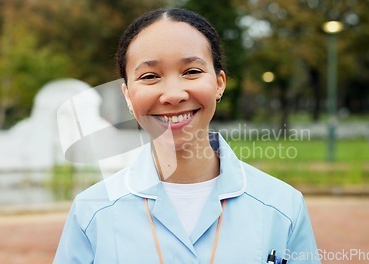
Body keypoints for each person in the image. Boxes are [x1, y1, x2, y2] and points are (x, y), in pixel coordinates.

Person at [54, 8, 319, 264]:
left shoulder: (283, 208)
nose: (173, 94)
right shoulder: (91, 211)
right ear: (127, 95)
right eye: (150, 76)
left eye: (191, 71)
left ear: (219, 83)